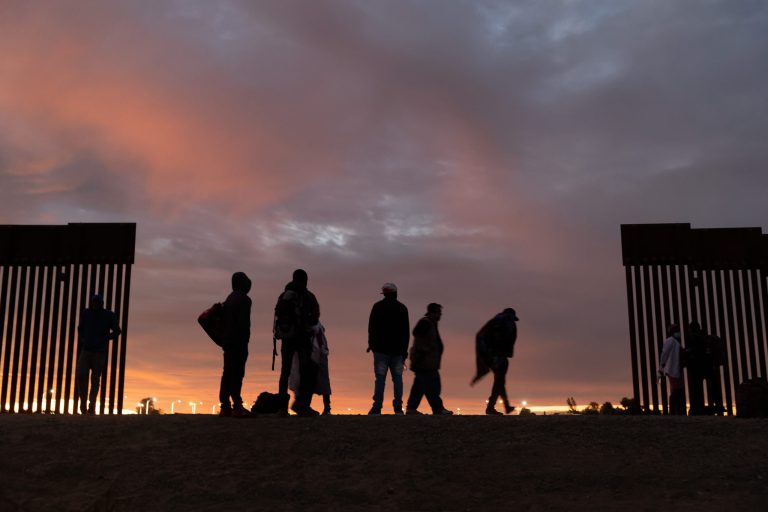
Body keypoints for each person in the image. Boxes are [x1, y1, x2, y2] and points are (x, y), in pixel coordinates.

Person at [274, 269, 321, 417]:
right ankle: (302, 405)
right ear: (305, 280)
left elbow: (277, 314)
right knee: (305, 371)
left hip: (287, 337)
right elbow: (315, 318)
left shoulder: (283, 295)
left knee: (285, 372)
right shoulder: (309, 296)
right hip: (302, 338)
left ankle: (282, 408)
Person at [367, 282, 410, 415]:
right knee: (397, 379)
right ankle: (398, 407)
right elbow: (405, 331)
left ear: (384, 294)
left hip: (380, 350)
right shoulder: (402, 308)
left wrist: (372, 345)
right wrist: (404, 351)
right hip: (397, 351)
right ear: (395, 293)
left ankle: (377, 407)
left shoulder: (377, 307)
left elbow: (371, 328)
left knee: (380, 379)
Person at [76, 294, 121, 415]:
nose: (95, 304)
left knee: (95, 380)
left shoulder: (108, 315)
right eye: (93, 302)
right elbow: (80, 328)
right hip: (86, 350)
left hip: (99, 352)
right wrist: (83, 339)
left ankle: (91, 405)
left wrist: (105, 338)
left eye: (97, 302)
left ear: (101, 304)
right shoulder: (86, 313)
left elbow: (117, 331)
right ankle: (83, 403)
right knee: (81, 375)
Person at [406, 303, 453, 415]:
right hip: (425, 362)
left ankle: (411, 408)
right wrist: (425, 351)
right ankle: (438, 408)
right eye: (438, 313)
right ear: (433, 312)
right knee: (433, 386)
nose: (440, 315)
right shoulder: (426, 323)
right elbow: (418, 336)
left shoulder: (430, 324)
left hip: (426, 362)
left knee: (419, 386)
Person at [470, 308, 518, 415]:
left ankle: (505, 406)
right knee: (499, 381)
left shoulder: (495, 321)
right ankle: (492, 408)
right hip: (498, 356)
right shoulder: (505, 322)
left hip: (493, 355)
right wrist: (497, 355)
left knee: (500, 381)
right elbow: (502, 340)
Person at [219, 271, 252, 418]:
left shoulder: (229, 299)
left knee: (227, 373)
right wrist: (245, 341)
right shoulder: (245, 300)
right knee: (237, 374)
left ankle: (225, 406)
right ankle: (237, 406)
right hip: (238, 342)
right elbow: (244, 324)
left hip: (227, 341)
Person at [288, 322, 332, 415]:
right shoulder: (315, 325)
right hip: (315, 353)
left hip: (314, 353)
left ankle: (302, 404)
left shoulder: (308, 324)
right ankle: (322, 406)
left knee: (306, 380)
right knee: (315, 380)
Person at [659, 323, 685, 415]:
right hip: (672, 369)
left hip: (675, 368)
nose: (678, 333)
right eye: (676, 331)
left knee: (677, 389)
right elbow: (664, 353)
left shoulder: (675, 341)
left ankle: (675, 410)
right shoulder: (670, 341)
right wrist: (662, 364)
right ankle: (673, 411)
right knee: (676, 389)